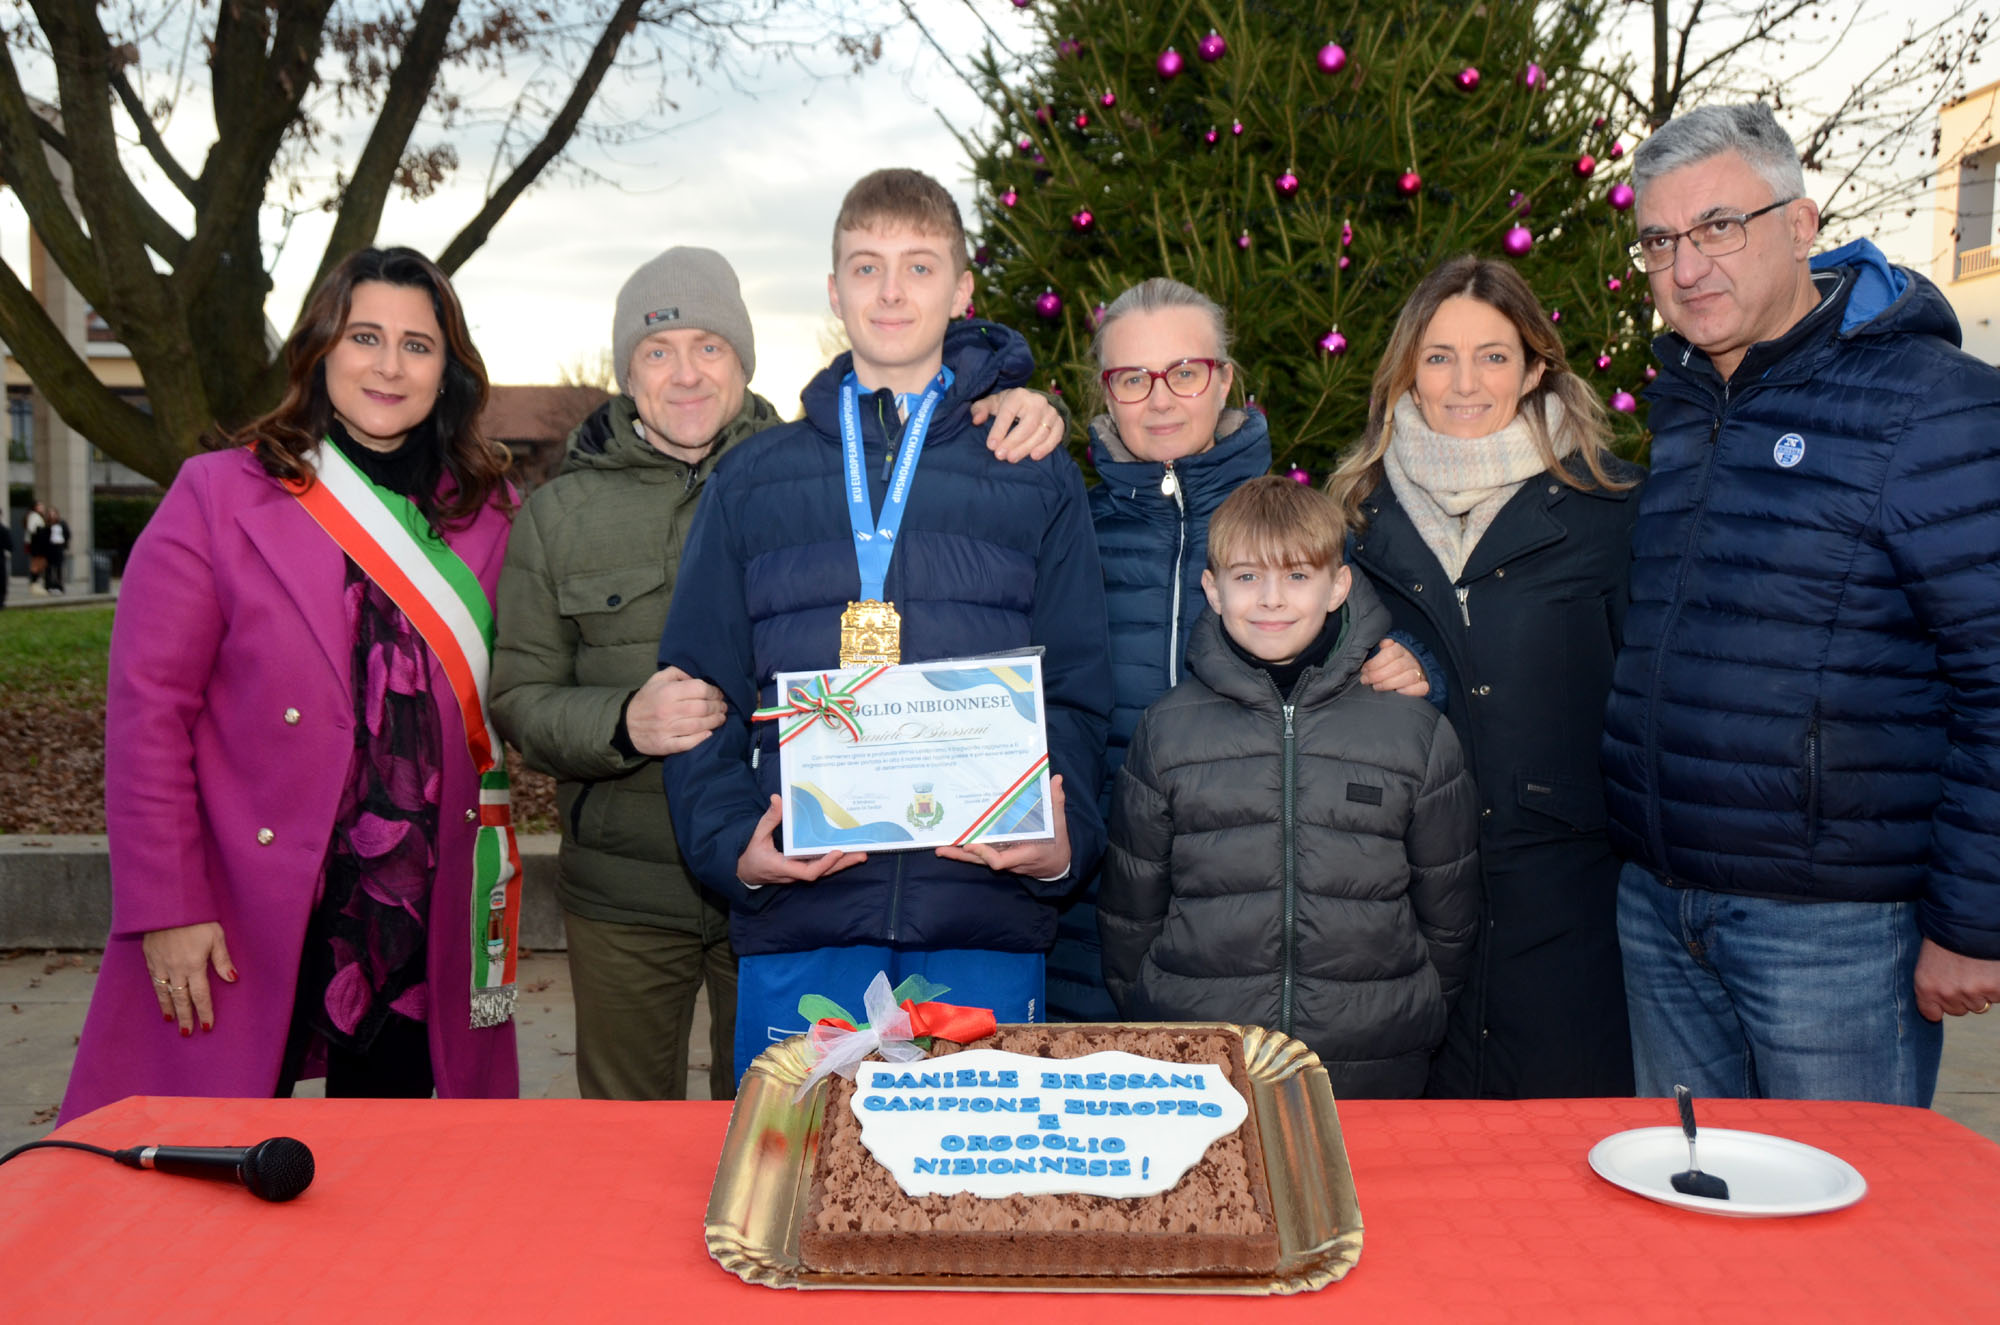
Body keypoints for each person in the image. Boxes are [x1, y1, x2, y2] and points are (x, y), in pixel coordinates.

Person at [491, 246, 1064, 1100]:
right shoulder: (558, 513)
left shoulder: (816, 463)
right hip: (629, 889)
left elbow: (937, 478)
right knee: (627, 1129)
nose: (687, 372)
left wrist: (1019, 402)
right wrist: (621, 722)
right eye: (658, 351)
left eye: (709, 346)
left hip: (792, 877)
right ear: (626, 372)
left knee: (771, 1120)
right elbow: (519, 698)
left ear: (744, 360)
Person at [660, 168, 1111, 1083]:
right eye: (867, 267)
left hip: (982, 913)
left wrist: (1062, 842)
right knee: (796, 1167)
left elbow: (1076, 688)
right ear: (834, 291)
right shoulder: (753, 480)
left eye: (919, 265)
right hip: (804, 916)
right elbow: (696, 694)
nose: (892, 291)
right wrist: (735, 847)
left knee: (975, 1172)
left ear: (963, 290)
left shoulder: (1031, 470)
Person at [59, 246, 522, 1122]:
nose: (389, 366)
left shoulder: (488, 514)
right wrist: (167, 905)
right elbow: (149, 715)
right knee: (220, 1150)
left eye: (418, 345)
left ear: (448, 371)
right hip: (250, 895)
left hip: (418, 903)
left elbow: (529, 686)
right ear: (321, 349)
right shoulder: (218, 493)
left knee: (388, 1164)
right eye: (365, 336)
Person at [1603, 102, 2000, 1105]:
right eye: (1659, 240)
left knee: (1844, 1202)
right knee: (1683, 1191)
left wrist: (1972, 919)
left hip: (1835, 933)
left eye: (1718, 226)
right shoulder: (1684, 403)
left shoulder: (1932, 403)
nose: (1687, 266)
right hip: (1662, 909)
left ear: (1799, 224)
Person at [1046, 276, 1433, 1023]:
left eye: (1185, 372)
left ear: (1224, 379)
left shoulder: (1288, 524)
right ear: (1106, 393)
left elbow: (1377, 632)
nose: (1161, 400)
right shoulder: (1069, 533)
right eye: (1133, 379)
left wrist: (1418, 666)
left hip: (1253, 924)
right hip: (1088, 912)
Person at [1325, 255, 1643, 1099]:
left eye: (1493, 356)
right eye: (1439, 357)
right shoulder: (1358, 515)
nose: (1464, 383)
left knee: (1561, 1154)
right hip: (1407, 899)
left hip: (1570, 914)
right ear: (1409, 371)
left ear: (1535, 368)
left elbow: (1650, 707)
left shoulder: (1609, 509)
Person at [1098, 476, 1480, 1098]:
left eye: (1297, 576)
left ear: (1338, 587)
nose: (1271, 599)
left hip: (1373, 1057)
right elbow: (1130, 912)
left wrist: (1417, 1011)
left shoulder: (1413, 731)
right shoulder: (1167, 731)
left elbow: (1450, 913)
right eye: (1247, 576)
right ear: (1213, 590)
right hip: (1202, 1057)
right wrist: (1152, 1008)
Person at [41, 507, 69, 594]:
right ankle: (48, 586)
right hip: (49, 549)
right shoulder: (46, 525)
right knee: (48, 568)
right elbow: (44, 537)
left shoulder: (62, 524)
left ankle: (59, 586)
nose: (52, 515)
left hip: (58, 548)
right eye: (50, 513)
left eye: (53, 513)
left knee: (58, 568)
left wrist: (64, 544)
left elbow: (67, 534)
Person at [24, 501, 46, 595]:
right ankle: (34, 584)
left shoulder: (38, 516)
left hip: (38, 542)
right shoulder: (34, 516)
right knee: (36, 563)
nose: (42, 507)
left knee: (40, 563)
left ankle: (35, 583)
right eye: (40, 505)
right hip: (36, 543)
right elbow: (32, 529)